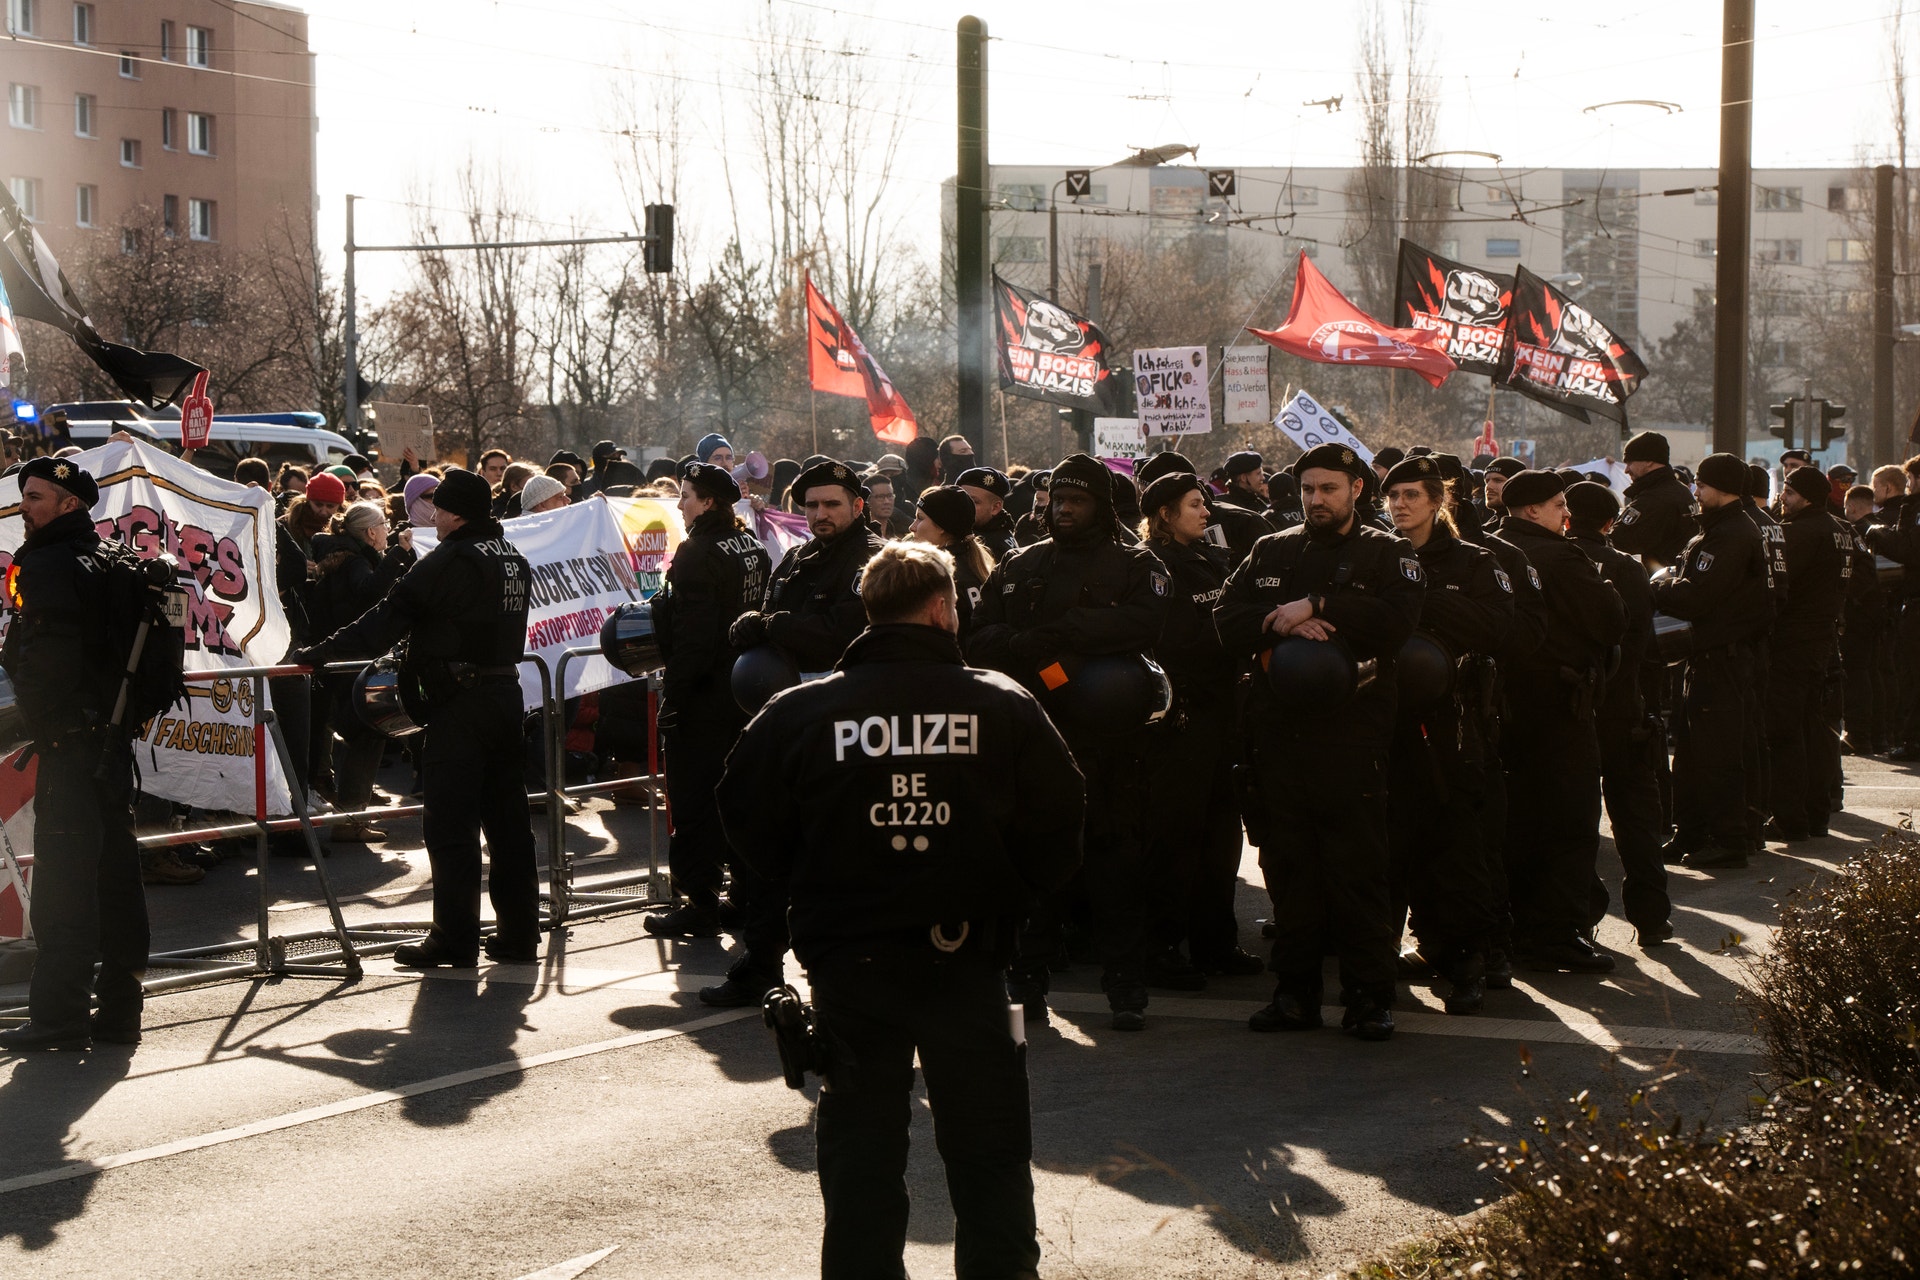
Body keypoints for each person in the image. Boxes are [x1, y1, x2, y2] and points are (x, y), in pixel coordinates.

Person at [717, 541, 1083, 1280]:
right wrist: (1010, 897)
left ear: (869, 611)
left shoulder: (802, 710)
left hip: (850, 958)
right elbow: (1061, 817)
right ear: (943, 609)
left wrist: (810, 882)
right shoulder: (1000, 701)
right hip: (967, 956)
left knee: (860, 1145)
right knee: (989, 1146)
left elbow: (742, 811)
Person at [1215, 443, 1423, 1041]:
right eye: (1308, 489)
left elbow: (1397, 621)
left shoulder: (1388, 551)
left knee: (1358, 869)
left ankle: (1369, 997)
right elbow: (1226, 617)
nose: (1316, 499)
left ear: (1356, 489)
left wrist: (1324, 604)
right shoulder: (1271, 548)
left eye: (1328, 488)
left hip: (1352, 736)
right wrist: (1279, 620)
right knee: (1290, 868)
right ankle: (1294, 994)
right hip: (1279, 735)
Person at [297, 468, 541, 966]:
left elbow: (386, 618)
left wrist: (318, 652)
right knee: (509, 824)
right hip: (504, 695)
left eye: (439, 509)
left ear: (454, 513)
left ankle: (454, 937)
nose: (433, 517)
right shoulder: (511, 556)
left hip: (460, 702)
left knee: (450, 824)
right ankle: (519, 934)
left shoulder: (450, 558)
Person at [970, 454, 1170, 1031]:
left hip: (1110, 746)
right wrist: (1022, 644)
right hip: (1034, 740)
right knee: (1034, 866)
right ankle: (1026, 983)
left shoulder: (1135, 563)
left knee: (1115, 867)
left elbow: (1146, 623)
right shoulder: (1020, 563)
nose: (1063, 510)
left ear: (1101, 507)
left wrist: (1069, 635)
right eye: (1058, 499)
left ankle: (1125, 989)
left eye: (1076, 501)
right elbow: (978, 635)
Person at [716, 460, 890, 1006]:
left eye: (831, 504)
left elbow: (842, 633)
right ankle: (762, 962)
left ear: (857, 506)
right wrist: (754, 626)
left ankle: (849, 972)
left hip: (848, 725)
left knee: (842, 852)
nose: (819, 514)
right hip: (788, 720)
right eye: (811, 505)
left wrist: (774, 626)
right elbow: (773, 616)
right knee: (771, 839)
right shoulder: (796, 557)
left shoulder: (876, 559)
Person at [0, 458, 153, 1051]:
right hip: (112, 746)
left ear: (70, 504)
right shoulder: (119, 558)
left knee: (64, 886)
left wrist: (37, 723)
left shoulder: (45, 563)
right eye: (23, 495)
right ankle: (119, 1014)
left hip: (69, 746)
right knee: (117, 880)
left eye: (36, 497)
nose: (24, 507)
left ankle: (59, 1018)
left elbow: (43, 661)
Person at [1380, 455, 1513, 1014]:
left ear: (1438, 501)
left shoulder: (1473, 561)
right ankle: (1388, 958)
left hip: (1451, 725)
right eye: (1393, 496)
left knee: (1456, 844)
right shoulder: (1373, 553)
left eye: (1412, 495)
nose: (1400, 505)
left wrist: (1422, 597)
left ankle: (1465, 961)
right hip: (1381, 720)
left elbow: (1502, 629)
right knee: (1387, 845)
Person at [1494, 470, 1626, 972]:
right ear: (1532, 510)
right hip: (1558, 707)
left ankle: (1516, 925)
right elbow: (1611, 620)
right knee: (1568, 821)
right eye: (1558, 504)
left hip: (1504, 709)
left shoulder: (1490, 548)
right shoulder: (1560, 557)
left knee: (1515, 821)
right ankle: (1557, 934)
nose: (1567, 513)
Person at [1138, 470, 1264, 982]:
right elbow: (1176, 641)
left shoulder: (1213, 558)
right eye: (1195, 505)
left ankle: (1216, 943)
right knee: (1175, 835)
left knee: (1221, 835)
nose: (1206, 513)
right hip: (1181, 718)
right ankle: (1162, 948)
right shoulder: (1149, 566)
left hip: (1222, 716)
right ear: (1165, 514)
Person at [642, 463, 773, 939]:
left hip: (704, 695)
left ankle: (699, 903)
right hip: (744, 688)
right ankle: (743, 896)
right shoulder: (751, 545)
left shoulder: (696, 551)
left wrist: (674, 697)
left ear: (709, 502)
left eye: (687, 496)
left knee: (694, 802)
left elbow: (693, 636)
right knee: (740, 796)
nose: (680, 505)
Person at [1652, 453, 1775, 871]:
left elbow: (1698, 595)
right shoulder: (1724, 528)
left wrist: (1657, 589)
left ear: (1721, 488)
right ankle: (1691, 832)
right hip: (1711, 654)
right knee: (1691, 753)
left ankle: (1728, 839)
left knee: (1718, 753)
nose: (1696, 491)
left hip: (1723, 656)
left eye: (1701, 485)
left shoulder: (1732, 534)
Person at [1563, 482, 1673, 949]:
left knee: (1576, 817)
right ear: (1610, 523)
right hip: (1623, 705)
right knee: (1635, 817)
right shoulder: (1627, 568)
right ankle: (1651, 916)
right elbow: (1645, 642)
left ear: (1566, 517)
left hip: (1570, 707)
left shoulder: (1554, 561)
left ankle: (1583, 913)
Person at [308, 501, 417, 840]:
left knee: (359, 735)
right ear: (371, 532)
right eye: (384, 524)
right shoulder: (356, 561)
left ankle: (351, 812)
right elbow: (370, 594)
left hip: (340, 659)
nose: (388, 530)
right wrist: (399, 555)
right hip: (350, 661)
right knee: (368, 733)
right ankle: (351, 818)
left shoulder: (343, 556)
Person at [1769, 465, 1852, 840]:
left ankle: (1791, 817)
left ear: (1805, 497)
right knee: (1817, 731)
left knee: (1787, 731)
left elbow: (1779, 586)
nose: (1782, 499)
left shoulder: (1797, 533)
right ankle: (1816, 812)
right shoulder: (1841, 530)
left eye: (1788, 492)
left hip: (1793, 641)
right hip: (1824, 639)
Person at [1866, 455, 1920, 759]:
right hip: (1910, 602)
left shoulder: (1914, 509)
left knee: (1910, 674)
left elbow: (1908, 549)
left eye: (1911, 480)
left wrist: (1876, 532)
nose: (1908, 486)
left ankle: (1912, 740)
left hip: (1915, 603)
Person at [1841, 483, 1890, 754]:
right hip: (1878, 610)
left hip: (1859, 612)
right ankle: (1878, 734)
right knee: (1874, 672)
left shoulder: (1855, 532)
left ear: (1851, 507)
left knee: (1856, 673)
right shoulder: (1881, 530)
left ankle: (1858, 734)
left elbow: (1858, 577)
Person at [908, 486, 993, 640]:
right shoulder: (976, 566)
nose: (912, 527)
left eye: (920, 518)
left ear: (942, 526)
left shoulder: (937, 575)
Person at [955, 466, 1017, 563]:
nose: (963, 505)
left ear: (995, 508)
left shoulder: (997, 547)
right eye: (960, 499)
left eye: (974, 502)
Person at [1478, 457, 1524, 536]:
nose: (1488, 486)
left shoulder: (1523, 529)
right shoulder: (1488, 527)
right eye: (1487, 481)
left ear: (1516, 485)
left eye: (1498, 480)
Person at [1217, 452, 1270, 516]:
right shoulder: (1224, 506)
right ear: (1243, 478)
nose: (1263, 478)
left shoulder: (1259, 503)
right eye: (1258, 473)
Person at [1012, 470, 1050, 546]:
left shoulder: (1063, 523)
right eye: (1037, 500)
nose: (1037, 505)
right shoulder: (1026, 522)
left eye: (1041, 500)